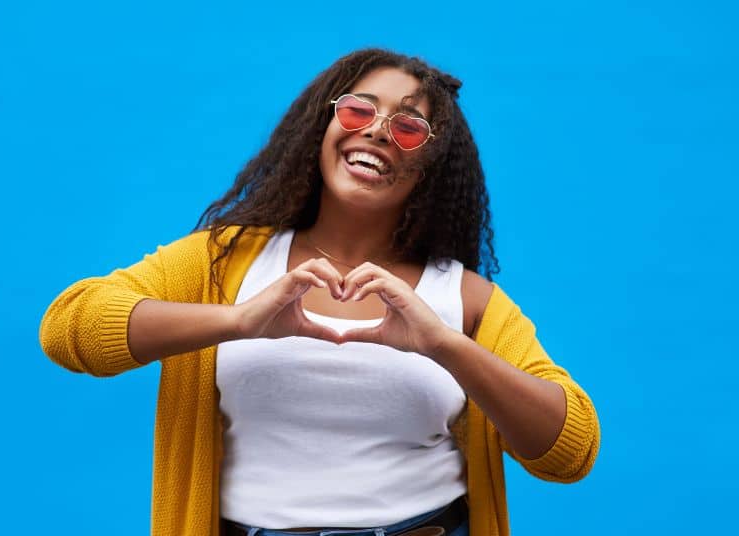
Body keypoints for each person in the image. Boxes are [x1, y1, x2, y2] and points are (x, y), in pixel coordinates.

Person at [38, 48, 600, 536]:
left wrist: (444, 346)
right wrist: (238, 321)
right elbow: (69, 328)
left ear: (430, 167)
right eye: (359, 109)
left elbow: (570, 452)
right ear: (323, 128)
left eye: (408, 127)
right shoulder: (223, 263)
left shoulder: (466, 298)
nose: (377, 130)